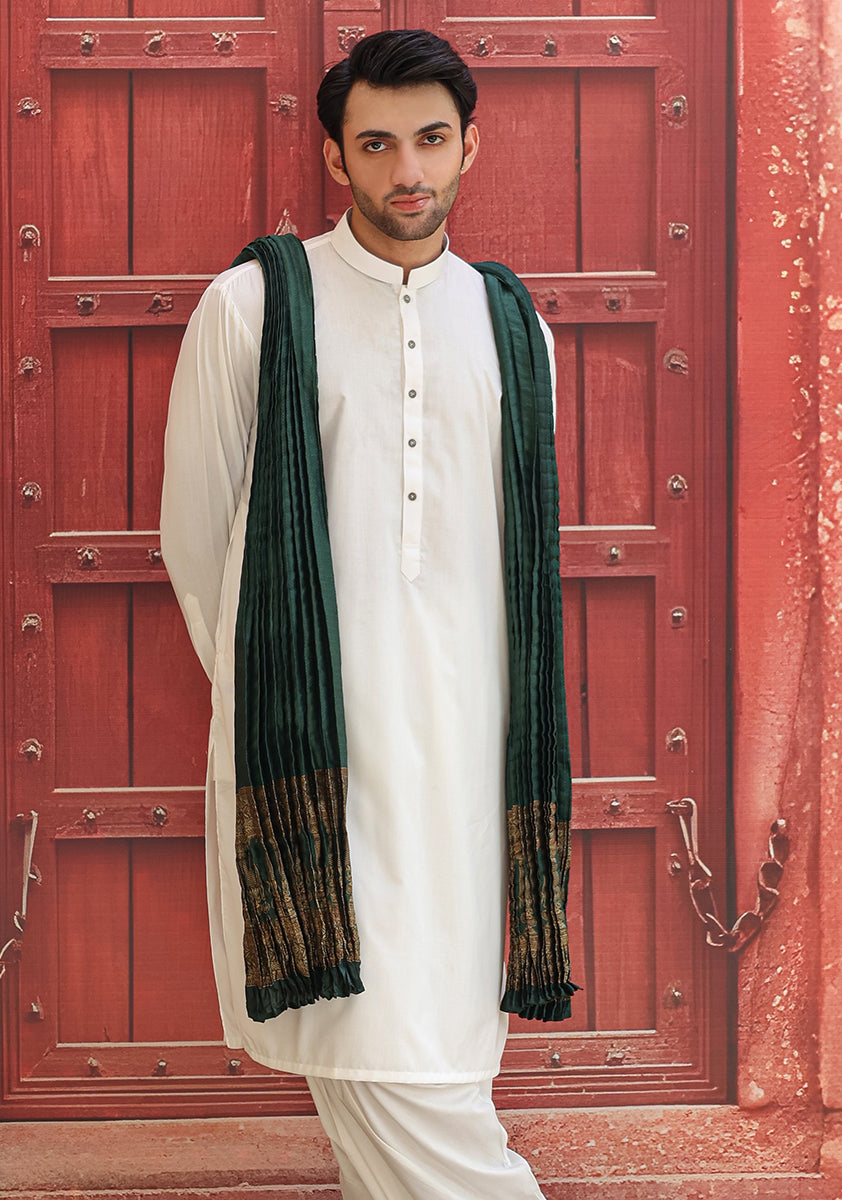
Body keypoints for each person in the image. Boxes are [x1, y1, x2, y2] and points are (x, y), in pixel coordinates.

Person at [161, 28, 575, 1200]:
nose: (407, 169)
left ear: (468, 147)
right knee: (377, 1038)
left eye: (430, 140)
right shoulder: (251, 307)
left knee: (442, 1038)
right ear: (336, 157)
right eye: (378, 143)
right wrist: (283, 702)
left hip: (474, 757)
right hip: (317, 754)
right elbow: (196, 536)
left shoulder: (512, 329)